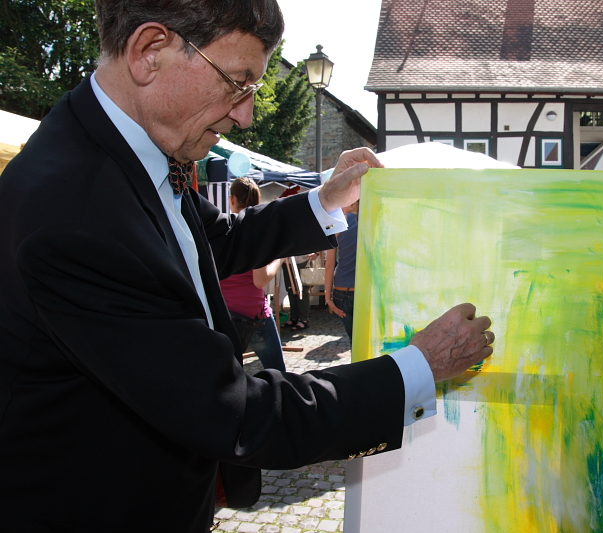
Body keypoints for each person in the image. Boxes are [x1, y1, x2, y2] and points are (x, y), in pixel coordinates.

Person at [0, 1, 495, 531]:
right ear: (150, 51)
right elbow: (236, 413)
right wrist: (418, 365)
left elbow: (213, 243)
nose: (246, 115)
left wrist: (323, 200)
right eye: (238, 82)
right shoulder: (79, 210)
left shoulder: (124, 152)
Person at [221, 177, 285, 371]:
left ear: (232, 199)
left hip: (226, 315)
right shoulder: (256, 231)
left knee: (227, 379)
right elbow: (260, 280)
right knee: (279, 374)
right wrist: (280, 257)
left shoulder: (220, 228)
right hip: (254, 316)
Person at [325, 200, 359, 342]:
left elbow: (329, 264)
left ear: (352, 202)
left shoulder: (335, 223)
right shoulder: (373, 220)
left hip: (341, 290)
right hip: (365, 292)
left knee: (354, 342)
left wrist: (328, 297)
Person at [281, 253, 313, 331]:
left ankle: (304, 319)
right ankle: (294, 318)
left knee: (302, 290)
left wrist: (316, 253)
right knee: (290, 289)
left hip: (303, 259)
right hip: (286, 261)